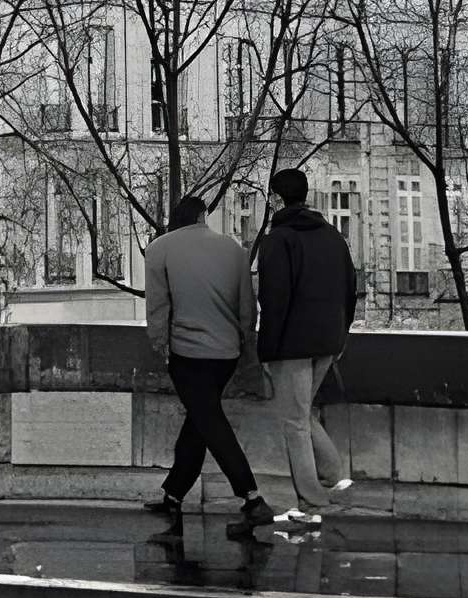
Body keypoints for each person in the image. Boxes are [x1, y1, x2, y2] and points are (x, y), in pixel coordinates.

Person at [141, 193, 268, 533]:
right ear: (202, 216)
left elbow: (158, 306)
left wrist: (160, 344)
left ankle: (252, 497)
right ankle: (173, 495)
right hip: (226, 355)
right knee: (200, 421)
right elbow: (247, 307)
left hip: (186, 353)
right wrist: (246, 346)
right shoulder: (235, 251)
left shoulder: (159, 249)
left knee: (209, 422)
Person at [253, 165, 358, 527]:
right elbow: (350, 288)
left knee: (294, 421)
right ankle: (332, 474)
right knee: (301, 412)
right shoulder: (332, 236)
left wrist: (266, 350)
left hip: (292, 343)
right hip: (327, 340)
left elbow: (273, 299)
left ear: (274, 198)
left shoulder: (278, 240)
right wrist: (340, 336)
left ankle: (312, 501)